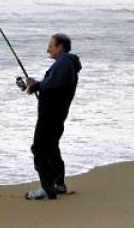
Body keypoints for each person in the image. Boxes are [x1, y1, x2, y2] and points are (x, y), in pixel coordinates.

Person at [24, 34, 82, 200]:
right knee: (51, 147)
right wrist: (36, 84)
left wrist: (37, 86)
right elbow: (53, 85)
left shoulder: (64, 63)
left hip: (51, 115)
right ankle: (58, 184)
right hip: (56, 114)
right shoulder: (65, 64)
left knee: (39, 149)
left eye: (51, 45)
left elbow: (51, 84)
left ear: (60, 47)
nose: (47, 49)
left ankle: (47, 187)